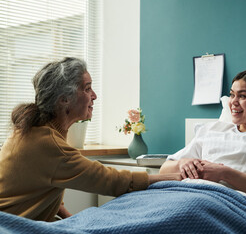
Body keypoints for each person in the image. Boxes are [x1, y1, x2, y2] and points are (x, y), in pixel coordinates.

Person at [0, 57, 181, 222]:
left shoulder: (34, 131)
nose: (94, 95)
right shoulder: (47, 142)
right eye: (87, 89)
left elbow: (43, 190)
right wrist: (173, 178)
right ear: (64, 100)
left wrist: (69, 220)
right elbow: (110, 180)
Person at [160, 69, 246, 204]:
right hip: (188, 193)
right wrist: (182, 163)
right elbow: (164, 169)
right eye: (232, 94)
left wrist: (225, 174)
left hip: (234, 204)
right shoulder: (212, 129)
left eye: (242, 96)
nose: (233, 102)